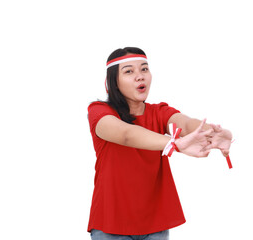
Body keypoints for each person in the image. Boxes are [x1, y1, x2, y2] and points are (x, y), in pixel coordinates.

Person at [87, 47, 232, 240]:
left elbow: (186, 123)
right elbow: (126, 134)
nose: (140, 76)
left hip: (155, 224)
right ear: (113, 81)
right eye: (129, 71)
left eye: (144, 69)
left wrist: (213, 133)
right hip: (111, 224)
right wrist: (174, 143)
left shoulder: (159, 112)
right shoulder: (99, 111)